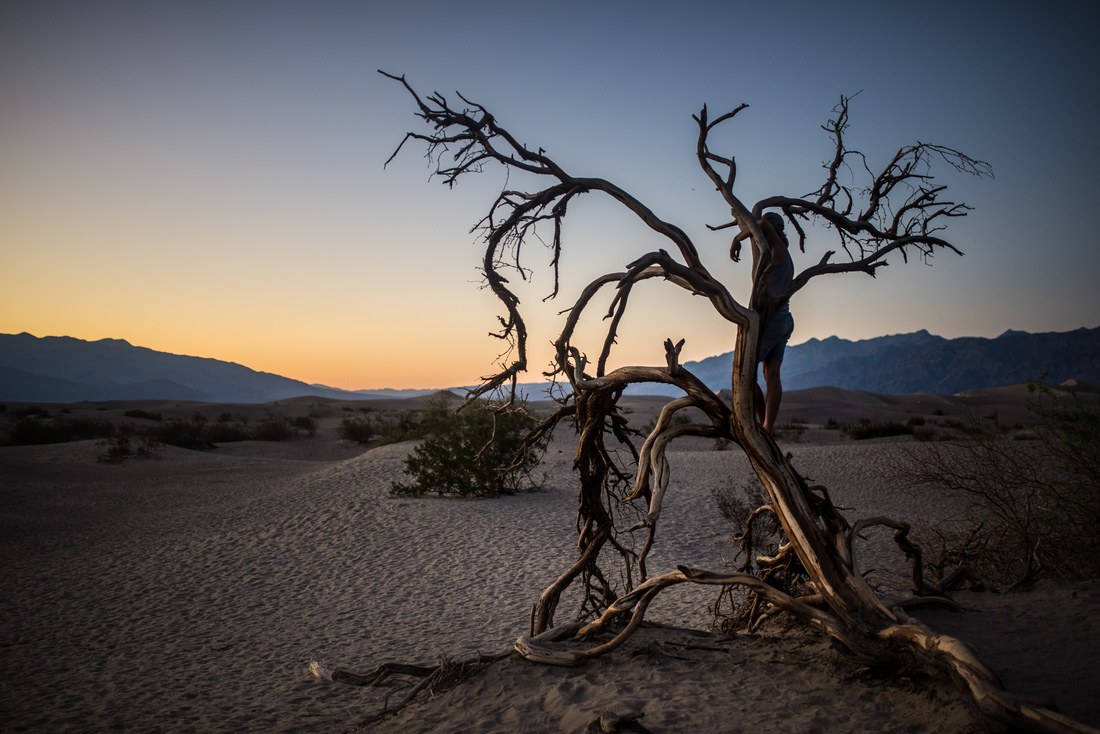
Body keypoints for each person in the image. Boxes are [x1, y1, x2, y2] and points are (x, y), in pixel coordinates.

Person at [730, 211, 795, 435]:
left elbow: (763, 223)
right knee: (771, 374)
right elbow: (760, 228)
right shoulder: (779, 254)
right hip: (784, 318)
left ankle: (760, 424)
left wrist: (736, 239)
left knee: (744, 370)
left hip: (772, 319)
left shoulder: (777, 250)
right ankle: (768, 426)